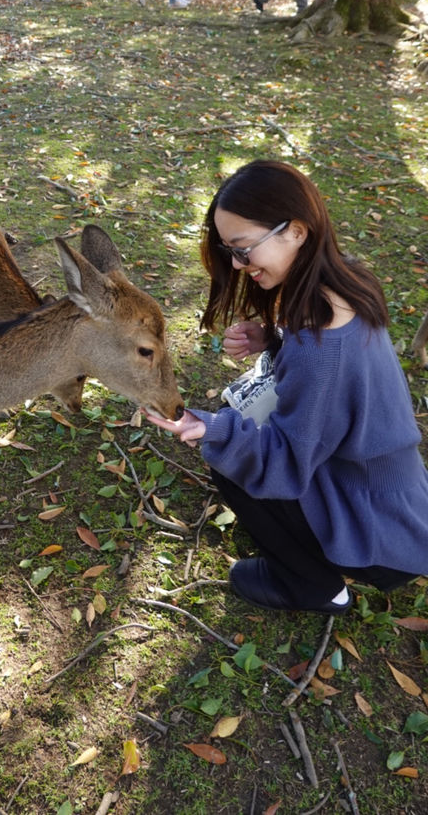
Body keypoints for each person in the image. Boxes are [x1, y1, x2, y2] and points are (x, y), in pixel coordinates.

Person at [145, 160, 428, 615]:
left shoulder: (319, 348)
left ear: (295, 231)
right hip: (396, 491)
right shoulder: (346, 279)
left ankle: (316, 587)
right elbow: (334, 387)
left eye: (243, 249)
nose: (237, 266)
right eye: (229, 251)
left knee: (231, 456)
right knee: (237, 432)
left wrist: (210, 431)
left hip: (375, 526)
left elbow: (286, 467)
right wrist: (273, 339)